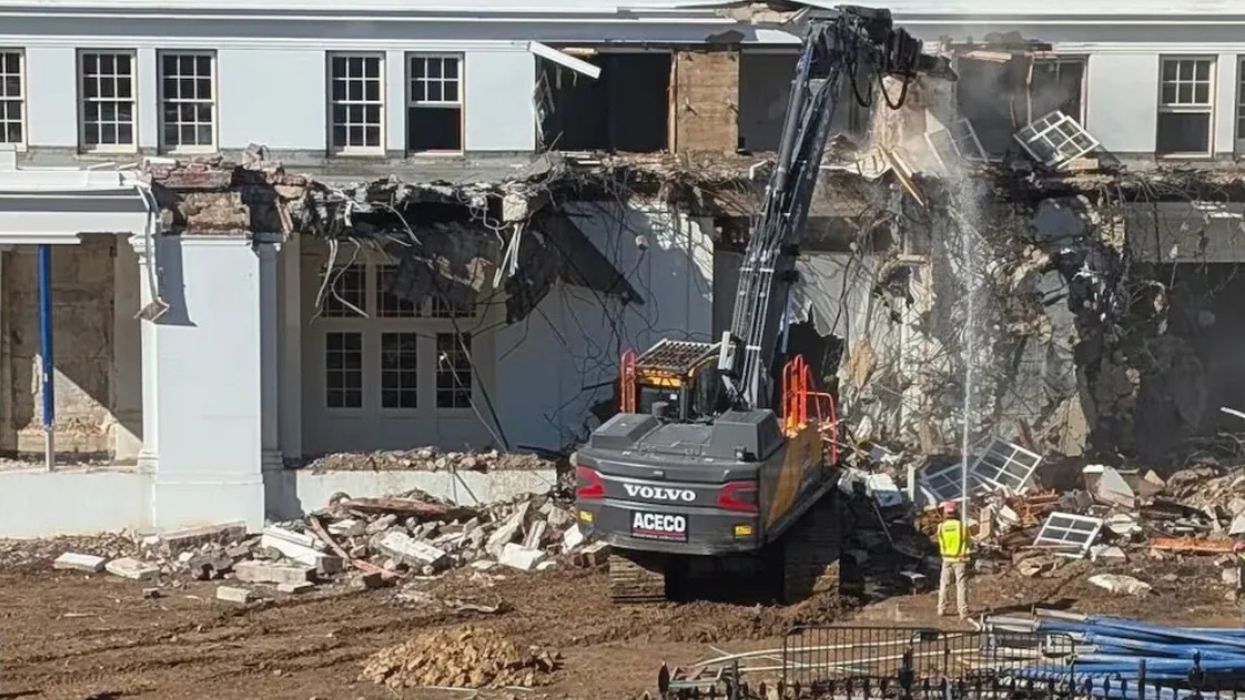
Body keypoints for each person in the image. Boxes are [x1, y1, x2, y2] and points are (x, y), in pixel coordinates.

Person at [937, 500, 970, 619]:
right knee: (961, 585)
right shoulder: (962, 526)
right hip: (960, 559)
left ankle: (941, 609)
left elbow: (941, 543)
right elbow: (967, 542)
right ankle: (963, 611)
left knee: (944, 585)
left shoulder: (941, 527)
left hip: (946, 559)